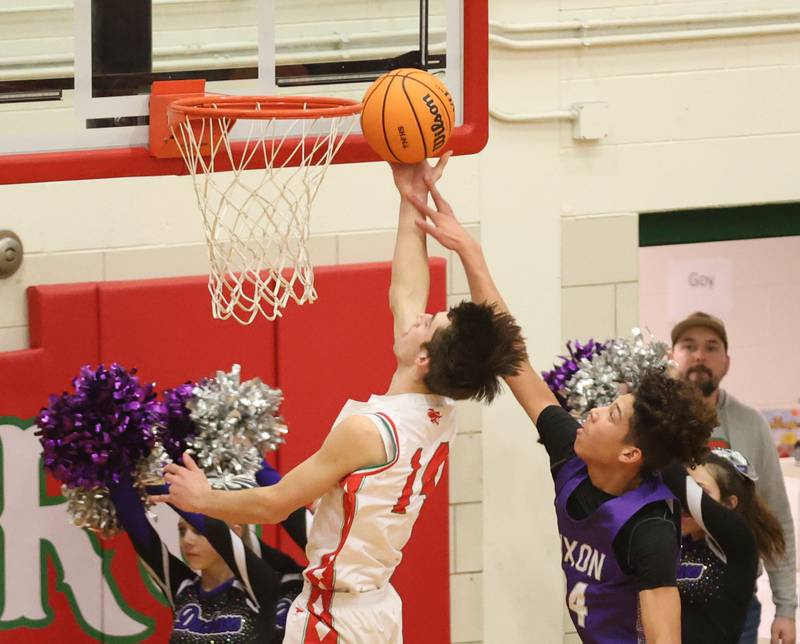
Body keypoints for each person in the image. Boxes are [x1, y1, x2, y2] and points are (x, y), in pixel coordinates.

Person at [152, 154, 528, 643]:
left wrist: (203, 500)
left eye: (428, 323)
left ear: (424, 360)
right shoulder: (440, 409)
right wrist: (408, 195)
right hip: (376, 608)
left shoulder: (368, 431)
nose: (419, 316)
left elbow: (275, 504)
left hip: (336, 618)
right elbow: (407, 291)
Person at [409, 179, 717, 643]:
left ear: (631, 454)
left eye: (611, 415)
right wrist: (468, 249)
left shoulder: (648, 529)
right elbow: (512, 358)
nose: (592, 412)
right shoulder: (573, 455)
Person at [670, 311, 797, 643]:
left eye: (711, 347)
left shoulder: (751, 423)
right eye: (689, 345)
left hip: (735, 601)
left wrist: (785, 608)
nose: (699, 355)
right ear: (672, 356)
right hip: (663, 596)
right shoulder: (653, 424)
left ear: (726, 362)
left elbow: (776, 517)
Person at [110, 461, 307, 643]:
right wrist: (115, 454)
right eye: (181, 530)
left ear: (236, 531)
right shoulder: (182, 588)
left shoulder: (264, 586)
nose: (187, 540)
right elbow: (137, 528)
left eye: (198, 531)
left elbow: (218, 531)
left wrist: (171, 486)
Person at [662, 449, 786, 643]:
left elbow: (673, 477)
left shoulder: (738, 542)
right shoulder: (675, 541)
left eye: (700, 491)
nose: (684, 502)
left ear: (729, 504)